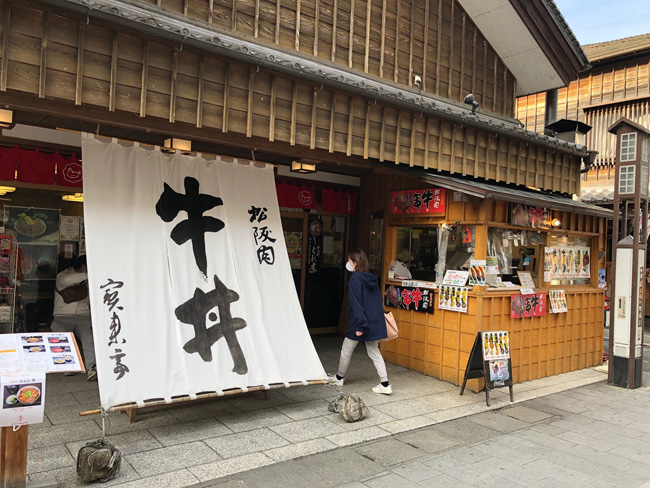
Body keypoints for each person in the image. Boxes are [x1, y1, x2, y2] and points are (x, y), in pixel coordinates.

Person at [330, 249, 392, 395]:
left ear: (355, 263)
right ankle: (385, 384)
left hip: (359, 322)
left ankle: (339, 377)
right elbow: (377, 302)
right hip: (373, 321)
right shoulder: (371, 279)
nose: (348, 263)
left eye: (350, 261)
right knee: (374, 352)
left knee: (346, 350)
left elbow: (356, 304)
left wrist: (360, 325)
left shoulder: (355, 280)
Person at [51, 255, 96, 381]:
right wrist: (91, 273)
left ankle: (91, 368)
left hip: (83, 317)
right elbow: (67, 281)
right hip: (62, 317)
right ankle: (68, 365)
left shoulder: (88, 278)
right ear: (83, 267)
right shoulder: (63, 275)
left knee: (89, 338)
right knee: (62, 336)